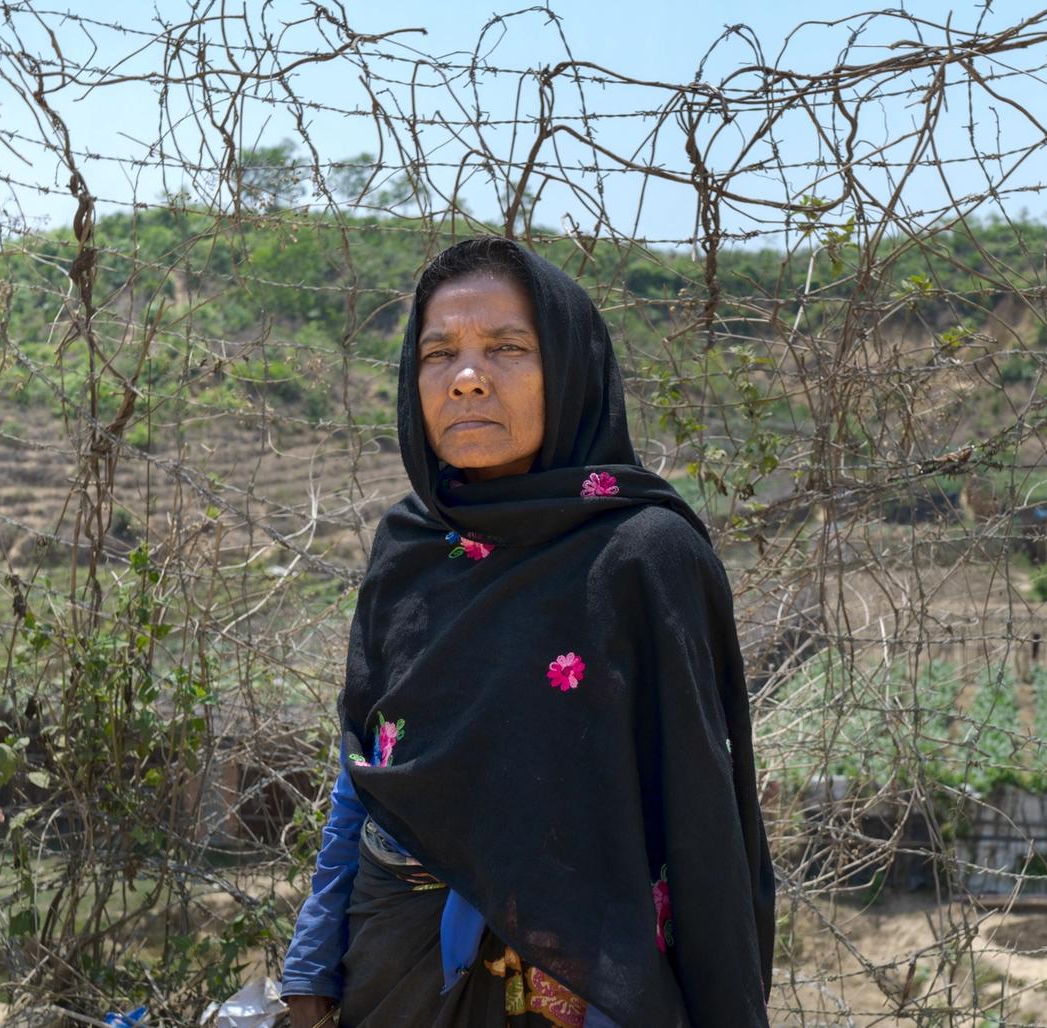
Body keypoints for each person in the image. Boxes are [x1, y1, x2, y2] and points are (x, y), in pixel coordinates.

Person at [280, 237, 774, 1028]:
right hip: (392, 964)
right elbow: (368, 768)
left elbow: (694, 826)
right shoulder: (411, 544)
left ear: (571, 368)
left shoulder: (644, 555)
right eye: (439, 354)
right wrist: (311, 960)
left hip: (581, 995)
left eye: (508, 348)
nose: (467, 376)